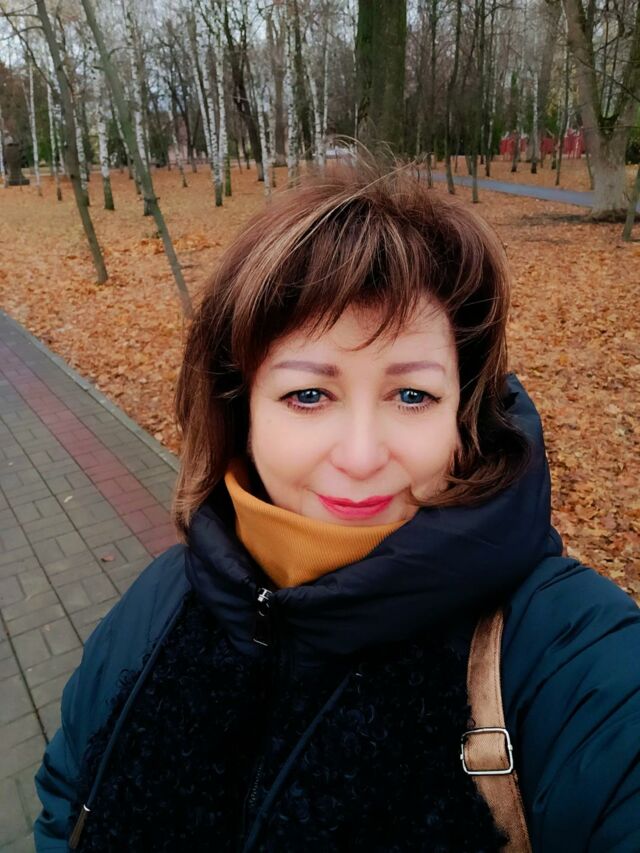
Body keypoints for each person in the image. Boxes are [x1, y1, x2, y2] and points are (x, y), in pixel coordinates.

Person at [34, 165, 640, 852]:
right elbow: (64, 802)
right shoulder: (157, 607)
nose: (360, 456)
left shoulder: (567, 654)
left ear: (463, 416)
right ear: (242, 413)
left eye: (411, 395)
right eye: (308, 396)